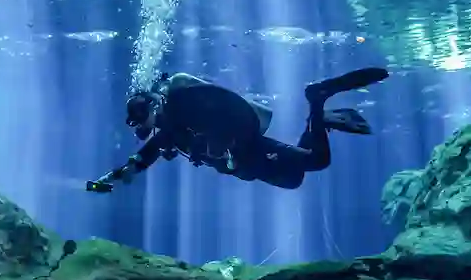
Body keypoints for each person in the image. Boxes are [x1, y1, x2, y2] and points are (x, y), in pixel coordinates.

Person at [86, 67, 390, 192]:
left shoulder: (183, 109)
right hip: (245, 163)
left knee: (317, 161)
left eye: (140, 122)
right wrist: (113, 176)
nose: (142, 130)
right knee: (293, 179)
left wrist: (219, 147)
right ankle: (320, 119)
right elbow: (146, 155)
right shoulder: (170, 129)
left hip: (249, 149)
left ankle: (317, 100)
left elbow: (225, 112)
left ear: (152, 109)